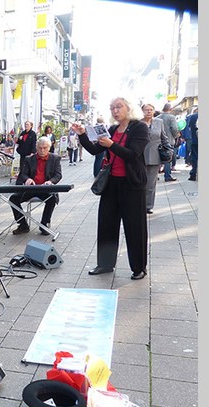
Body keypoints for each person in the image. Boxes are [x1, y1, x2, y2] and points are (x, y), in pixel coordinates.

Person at [73, 96, 150, 280]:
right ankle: (105, 264)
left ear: (128, 108)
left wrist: (112, 145)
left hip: (132, 184)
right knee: (106, 224)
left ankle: (139, 267)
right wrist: (82, 134)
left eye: (118, 107)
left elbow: (132, 155)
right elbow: (94, 150)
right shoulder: (113, 129)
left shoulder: (139, 127)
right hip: (111, 183)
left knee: (134, 226)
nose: (115, 111)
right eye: (112, 107)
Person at [9, 136, 63, 235]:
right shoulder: (29, 159)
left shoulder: (55, 158)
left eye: (45, 148)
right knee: (13, 199)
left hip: (45, 189)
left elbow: (58, 175)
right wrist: (28, 179)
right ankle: (22, 225)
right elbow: (23, 174)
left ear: (49, 148)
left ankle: (44, 224)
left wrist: (50, 182)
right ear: (36, 147)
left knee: (52, 199)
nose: (42, 150)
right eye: (40, 148)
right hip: (31, 188)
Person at [140, 103, 171, 214]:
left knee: (151, 183)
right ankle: (138, 203)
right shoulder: (137, 123)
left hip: (155, 156)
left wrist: (168, 150)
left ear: (154, 111)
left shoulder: (159, 122)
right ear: (142, 111)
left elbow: (164, 137)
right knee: (140, 182)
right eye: (146, 110)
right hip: (139, 156)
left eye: (151, 109)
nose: (148, 111)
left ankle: (148, 206)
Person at [158, 102, 180, 182]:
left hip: (159, 140)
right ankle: (167, 175)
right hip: (169, 140)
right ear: (170, 109)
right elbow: (174, 128)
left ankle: (156, 175)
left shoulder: (158, 117)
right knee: (168, 158)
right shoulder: (171, 117)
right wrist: (176, 136)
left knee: (158, 157)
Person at [186, 107, 198, 181]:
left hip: (195, 140)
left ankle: (193, 174)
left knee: (195, 158)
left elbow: (189, 127)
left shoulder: (193, 116)